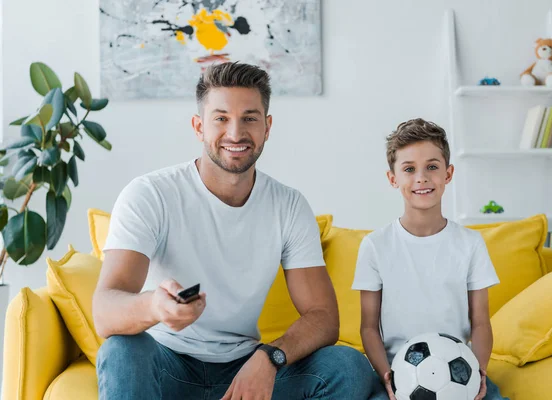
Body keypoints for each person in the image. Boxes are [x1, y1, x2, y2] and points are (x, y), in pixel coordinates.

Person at [92, 62, 374, 400]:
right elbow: (105, 311)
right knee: (121, 350)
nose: (236, 133)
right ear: (199, 127)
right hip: (167, 365)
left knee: (347, 366)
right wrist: (155, 307)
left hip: (246, 369)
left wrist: (270, 357)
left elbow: (324, 318)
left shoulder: (288, 205)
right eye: (221, 118)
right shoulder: (150, 194)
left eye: (249, 118)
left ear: (267, 127)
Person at [352, 119, 509, 400]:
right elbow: (368, 326)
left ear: (448, 174)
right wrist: (386, 376)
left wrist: (479, 371)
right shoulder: (375, 246)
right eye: (409, 169)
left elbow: (481, 322)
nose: (421, 178)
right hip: (399, 375)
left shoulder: (470, 244)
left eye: (432, 167)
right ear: (393, 178)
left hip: (459, 374)